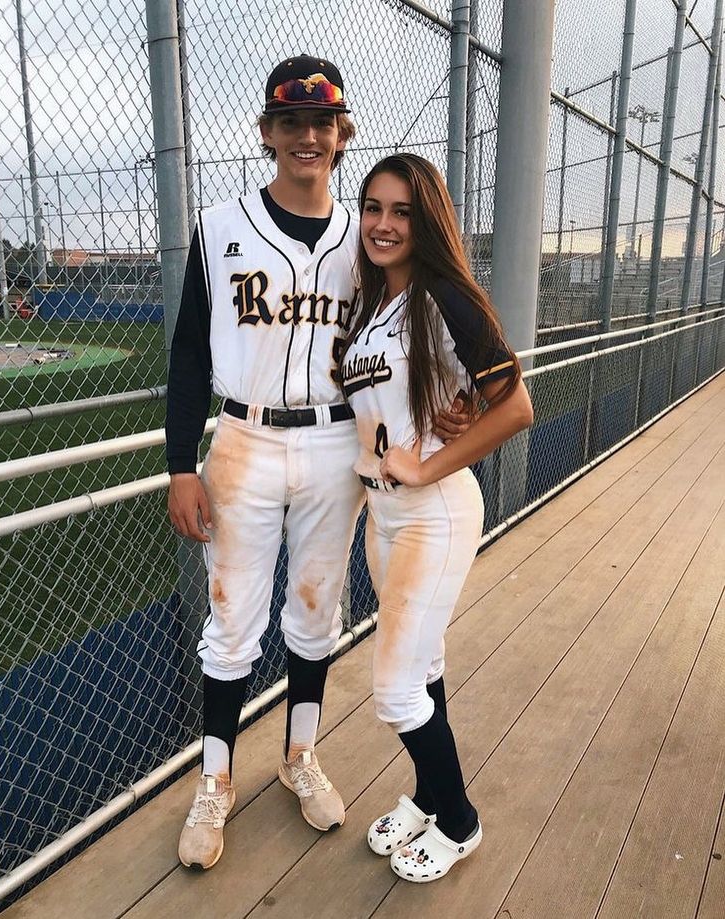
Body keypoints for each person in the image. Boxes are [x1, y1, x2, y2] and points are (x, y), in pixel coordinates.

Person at [165, 55, 367, 870]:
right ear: (266, 134)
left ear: (341, 135)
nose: (306, 136)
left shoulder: (369, 235)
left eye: (322, 124)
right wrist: (182, 463)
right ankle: (215, 778)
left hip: (335, 439)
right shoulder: (219, 227)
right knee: (232, 620)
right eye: (290, 122)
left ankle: (299, 756)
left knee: (316, 610)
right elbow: (185, 353)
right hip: (242, 438)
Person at [339, 153, 534, 883]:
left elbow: (514, 405)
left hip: (434, 511)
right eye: (374, 208)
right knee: (423, 666)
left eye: (402, 211)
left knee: (392, 688)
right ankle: (426, 798)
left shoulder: (446, 294)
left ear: (426, 221)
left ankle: (458, 820)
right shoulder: (373, 306)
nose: (384, 224)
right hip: (382, 517)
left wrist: (424, 462)